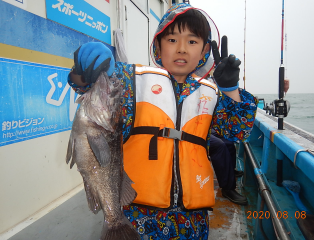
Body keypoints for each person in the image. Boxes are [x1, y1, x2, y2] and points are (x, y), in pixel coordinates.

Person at [68, 3, 258, 239]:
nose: (181, 49)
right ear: (158, 45)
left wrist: (230, 90)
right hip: (139, 218)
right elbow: (87, 86)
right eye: (171, 40)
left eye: (192, 41)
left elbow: (237, 131)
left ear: (204, 49)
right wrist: (85, 71)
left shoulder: (210, 94)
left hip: (192, 221)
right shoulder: (132, 82)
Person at [209, 130, 248, 205]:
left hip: (202, 128)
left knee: (228, 142)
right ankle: (227, 188)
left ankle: (230, 172)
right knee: (218, 145)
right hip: (189, 131)